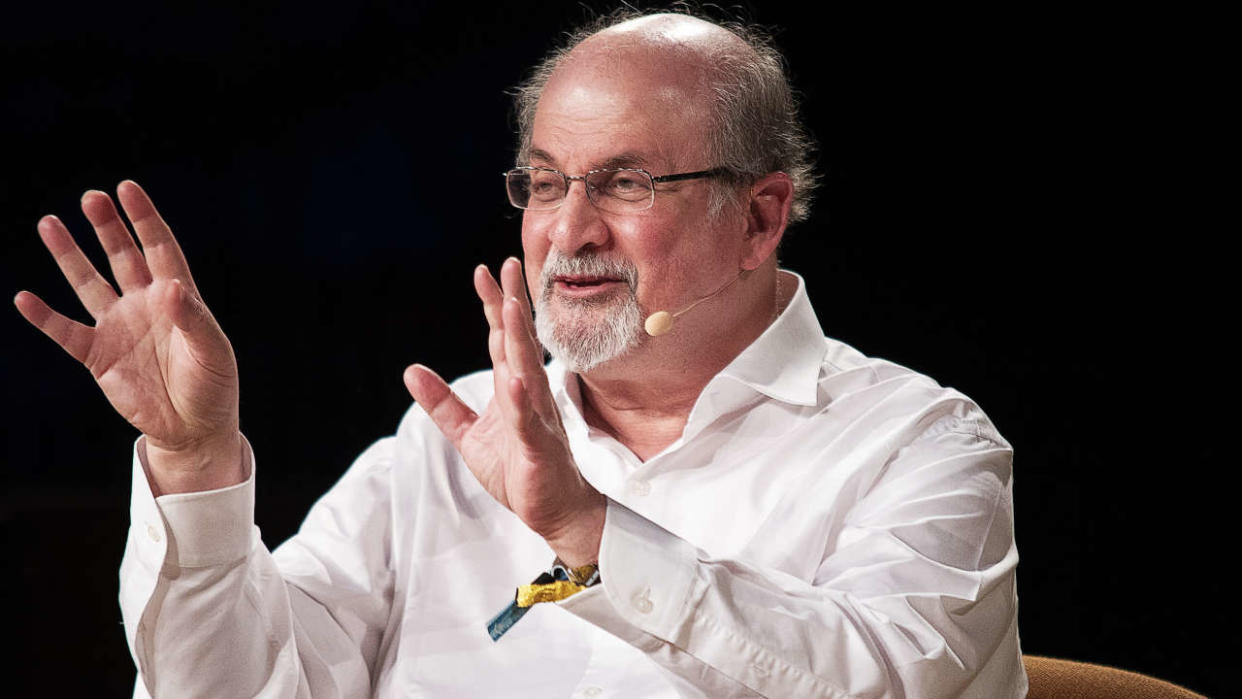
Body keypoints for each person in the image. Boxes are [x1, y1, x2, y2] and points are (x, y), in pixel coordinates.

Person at [14, 10, 1025, 698]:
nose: (568, 231)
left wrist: (583, 530)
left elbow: (889, 680)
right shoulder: (449, 437)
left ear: (760, 218)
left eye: (625, 184)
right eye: (545, 184)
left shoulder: (917, 446)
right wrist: (194, 466)